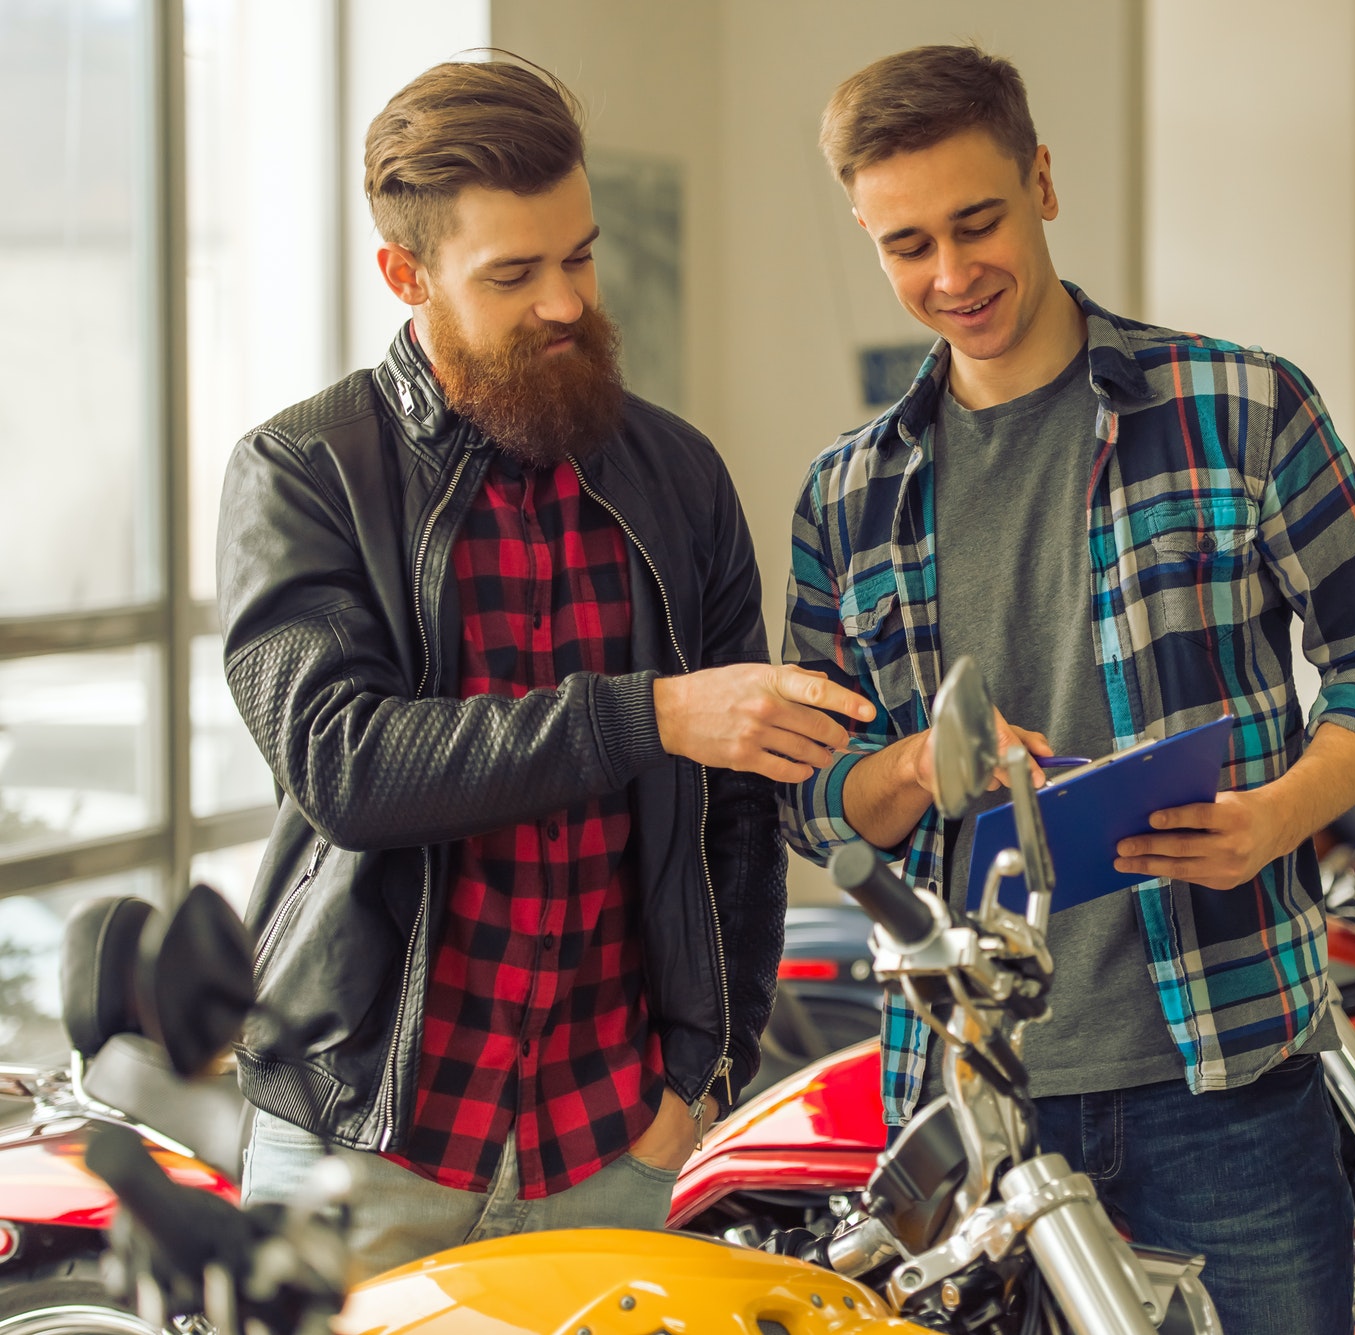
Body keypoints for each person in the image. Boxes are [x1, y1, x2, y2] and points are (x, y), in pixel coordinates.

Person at [780, 44, 1355, 1333]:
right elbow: (812, 798)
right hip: (971, 1105)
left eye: (977, 222)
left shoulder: (1239, 405)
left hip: (1223, 1078)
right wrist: (914, 766)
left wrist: (1279, 816)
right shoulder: (846, 496)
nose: (950, 274)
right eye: (906, 245)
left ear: (1041, 180)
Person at [219, 56, 873, 1277]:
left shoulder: (679, 476)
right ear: (405, 276)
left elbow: (738, 806)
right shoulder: (302, 471)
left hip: (613, 1146)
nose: (565, 303)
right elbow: (344, 767)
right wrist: (647, 715)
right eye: (512, 274)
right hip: (360, 1147)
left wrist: (706, 1072)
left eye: (578, 256)